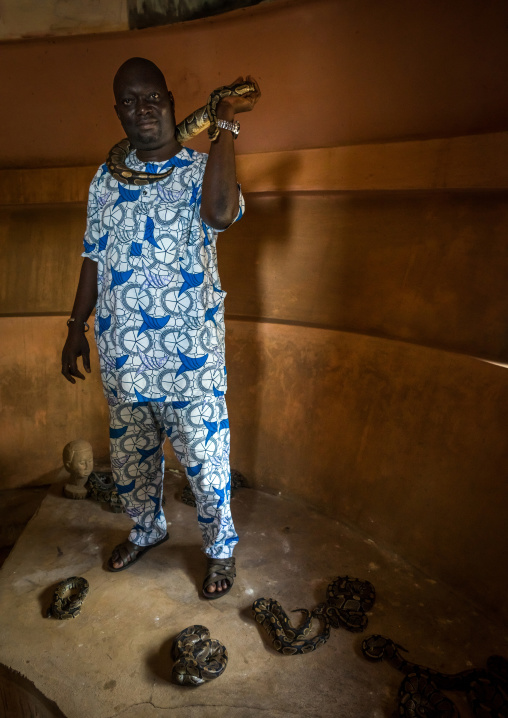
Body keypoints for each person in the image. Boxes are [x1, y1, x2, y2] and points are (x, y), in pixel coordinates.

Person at [61, 57, 260, 598]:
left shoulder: (202, 170)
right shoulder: (105, 178)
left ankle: (220, 551)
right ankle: (146, 529)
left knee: (206, 462)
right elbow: (93, 258)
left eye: (151, 98)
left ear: (171, 101)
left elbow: (220, 214)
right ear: (118, 112)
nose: (142, 110)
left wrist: (224, 124)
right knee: (131, 462)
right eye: (129, 102)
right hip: (124, 356)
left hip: (189, 361)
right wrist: (76, 326)